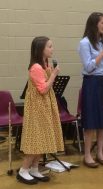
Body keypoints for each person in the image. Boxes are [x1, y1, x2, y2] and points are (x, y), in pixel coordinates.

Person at [17, 36, 64, 185]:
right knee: (36, 141)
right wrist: (54, 74)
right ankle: (23, 170)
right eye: (49, 47)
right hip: (37, 109)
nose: (52, 49)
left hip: (44, 107)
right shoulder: (36, 67)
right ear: (41, 49)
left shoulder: (44, 64)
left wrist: (50, 71)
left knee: (42, 139)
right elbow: (43, 89)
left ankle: (34, 168)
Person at [78, 12, 103, 168]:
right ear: (94, 24)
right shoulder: (84, 43)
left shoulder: (102, 42)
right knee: (92, 120)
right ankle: (87, 155)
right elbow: (89, 67)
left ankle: (100, 152)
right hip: (92, 83)